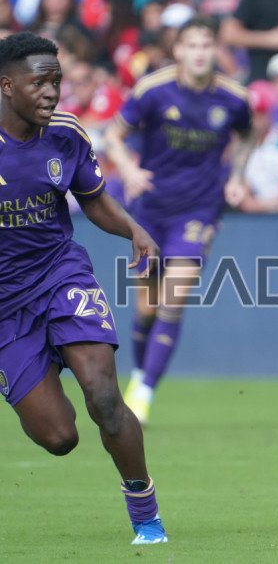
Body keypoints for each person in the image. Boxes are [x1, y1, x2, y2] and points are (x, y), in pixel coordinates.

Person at [0, 32, 167, 544]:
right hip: (5, 307)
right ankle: (36, 361)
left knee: (104, 396)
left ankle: (146, 515)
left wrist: (134, 230)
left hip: (60, 275)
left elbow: (93, 199)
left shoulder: (66, 134)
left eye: (56, 81)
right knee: (59, 437)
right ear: (7, 86)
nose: (52, 92)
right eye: (39, 82)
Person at [104, 16, 253, 425]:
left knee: (174, 298)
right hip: (151, 209)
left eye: (207, 45)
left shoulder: (234, 98)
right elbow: (113, 135)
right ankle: (140, 376)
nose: (200, 53)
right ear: (178, 51)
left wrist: (237, 176)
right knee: (146, 308)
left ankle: (144, 392)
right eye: (192, 46)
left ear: (215, 50)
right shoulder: (152, 90)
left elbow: (247, 137)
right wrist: (128, 170)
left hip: (199, 209)